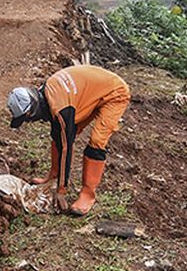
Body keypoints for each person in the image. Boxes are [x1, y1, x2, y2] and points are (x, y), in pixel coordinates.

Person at [7, 64, 130, 216]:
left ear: (32, 111)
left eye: (28, 119)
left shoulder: (61, 110)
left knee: (97, 140)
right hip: (90, 92)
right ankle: (53, 176)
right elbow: (59, 136)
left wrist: (61, 191)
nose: (31, 122)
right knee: (60, 134)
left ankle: (87, 194)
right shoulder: (47, 95)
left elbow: (66, 148)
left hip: (113, 92)